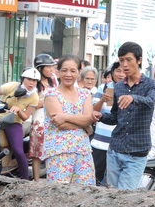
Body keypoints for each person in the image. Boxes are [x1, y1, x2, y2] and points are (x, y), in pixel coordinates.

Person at [92, 41, 155, 189]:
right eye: (122, 60)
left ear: (139, 60)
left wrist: (133, 98)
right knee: (113, 195)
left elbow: (150, 102)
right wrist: (101, 116)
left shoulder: (151, 84)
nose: (125, 64)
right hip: (115, 149)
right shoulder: (118, 87)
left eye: (129, 59)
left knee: (125, 196)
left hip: (137, 152)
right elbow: (115, 117)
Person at [43, 54, 95, 185]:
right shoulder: (51, 94)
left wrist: (65, 116)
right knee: (59, 195)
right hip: (59, 152)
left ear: (78, 73)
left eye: (73, 71)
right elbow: (62, 125)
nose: (68, 74)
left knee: (86, 194)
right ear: (58, 72)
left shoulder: (85, 94)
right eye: (64, 70)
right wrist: (84, 124)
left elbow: (88, 118)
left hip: (83, 151)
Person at [0, 67, 41, 180]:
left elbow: (26, 117)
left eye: (34, 81)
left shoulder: (34, 97)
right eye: (29, 79)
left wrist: (18, 110)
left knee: (18, 151)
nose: (31, 83)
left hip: (13, 122)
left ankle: (25, 180)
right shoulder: (11, 86)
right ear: (23, 78)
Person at [91, 61, 126, 185]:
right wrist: (102, 100)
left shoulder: (129, 89)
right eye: (118, 71)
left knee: (114, 181)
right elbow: (94, 110)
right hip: (100, 143)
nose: (121, 74)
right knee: (95, 178)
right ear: (112, 73)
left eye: (124, 71)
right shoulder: (104, 87)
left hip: (119, 144)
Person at [30, 53, 57, 181]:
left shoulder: (54, 82)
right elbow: (33, 104)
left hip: (52, 120)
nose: (52, 70)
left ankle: (50, 177)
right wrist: (47, 101)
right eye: (49, 67)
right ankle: (36, 180)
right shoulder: (34, 83)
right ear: (40, 68)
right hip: (39, 121)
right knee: (37, 152)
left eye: (53, 67)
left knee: (51, 151)